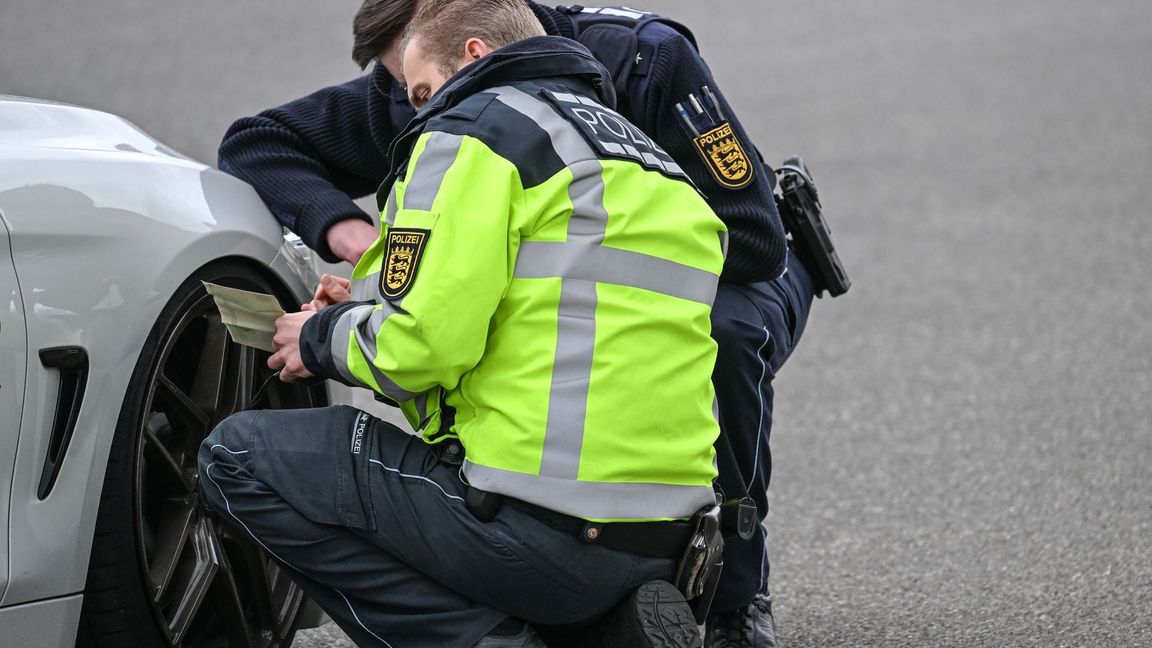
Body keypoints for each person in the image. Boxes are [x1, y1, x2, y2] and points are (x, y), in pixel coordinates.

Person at [219, 2, 824, 646]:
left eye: (421, 89)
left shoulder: (642, 59)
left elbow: (755, 236)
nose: (417, 112)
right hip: (663, 527)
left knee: (724, 336)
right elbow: (260, 142)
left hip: (753, 272)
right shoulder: (638, 158)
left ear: (469, 46)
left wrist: (326, 333)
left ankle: (736, 596)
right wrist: (379, 265)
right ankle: (611, 619)